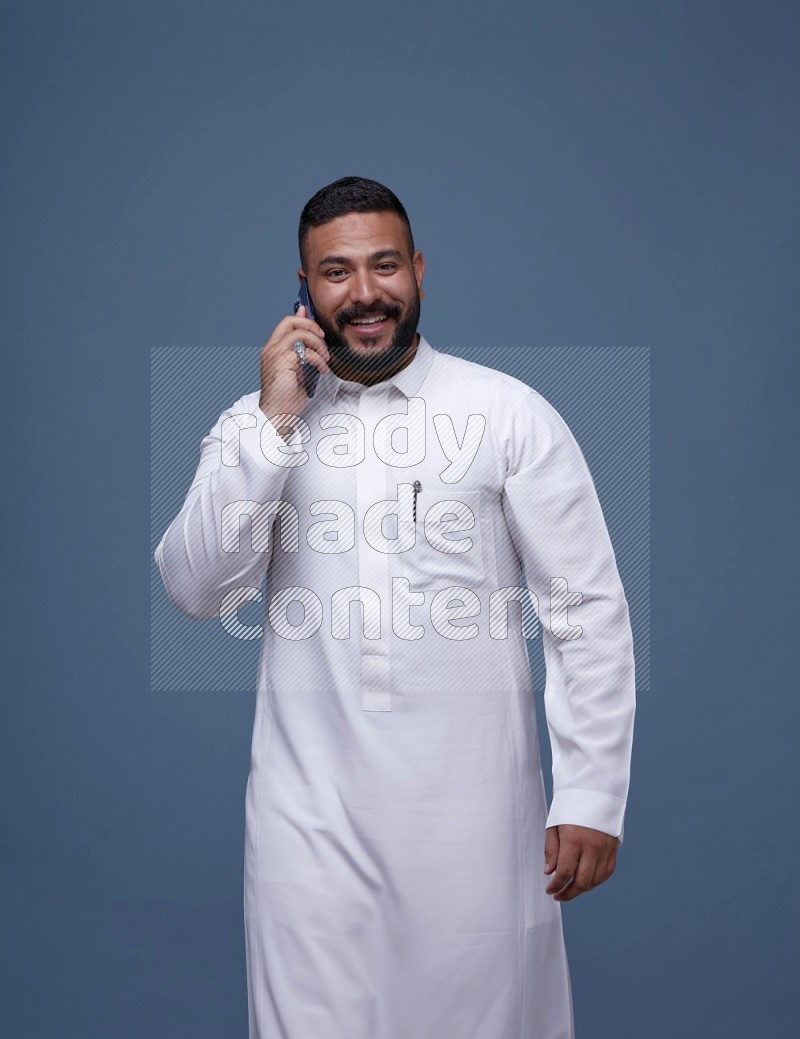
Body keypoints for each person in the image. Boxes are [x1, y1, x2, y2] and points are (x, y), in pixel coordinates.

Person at [155, 176, 636, 1038]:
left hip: (478, 825)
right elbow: (196, 590)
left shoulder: (506, 414)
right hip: (309, 833)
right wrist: (273, 424)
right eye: (336, 272)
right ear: (303, 289)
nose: (365, 292)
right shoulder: (255, 425)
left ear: (418, 271)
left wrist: (593, 792)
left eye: (385, 265)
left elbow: (585, 609)